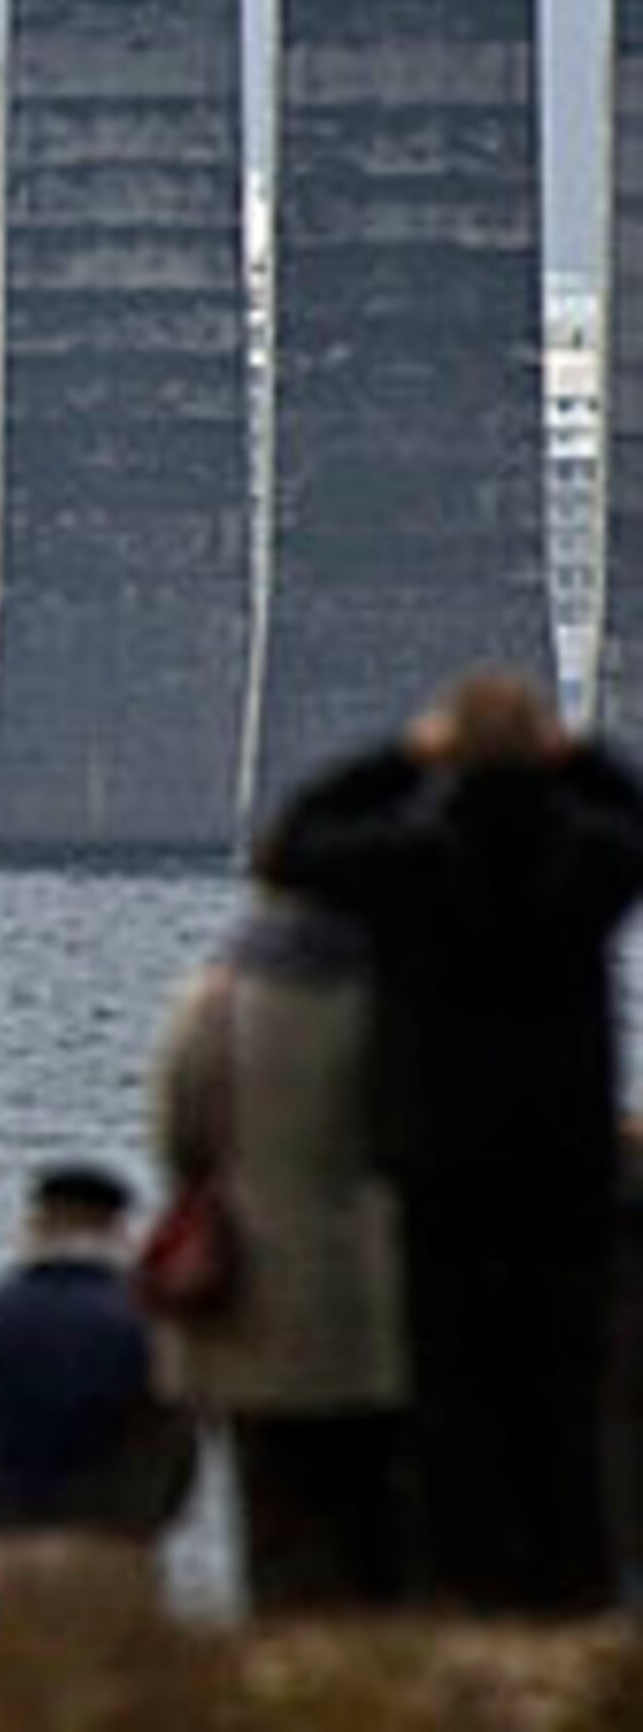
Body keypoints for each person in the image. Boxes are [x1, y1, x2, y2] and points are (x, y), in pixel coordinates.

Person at [261, 666, 643, 1616]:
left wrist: (399, 757)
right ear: (545, 754)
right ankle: (569, 1587)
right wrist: (582, 756)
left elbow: (291, 844)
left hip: (436, 1160)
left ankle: (460, 1583)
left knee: (449, 1382)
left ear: (449, 753)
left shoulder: (408, 862)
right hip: (564, 1162)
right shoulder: (586, 859)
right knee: (560, 1378)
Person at [146, 845, 409, 1617]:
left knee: (273, 1500)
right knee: (369, 1499)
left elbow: (177, 1136)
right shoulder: (392, 1001)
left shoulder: (217, 1001)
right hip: (369, 1300)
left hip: (251, 1295)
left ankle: (281, 1654)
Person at [0, 1165, 194, 1616]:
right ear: (116, 1228)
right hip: (105, 1539)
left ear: (36, 1223)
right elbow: (174, 1442)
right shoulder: (145, 1322)